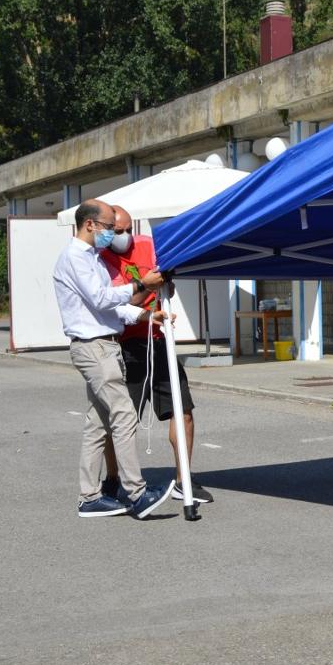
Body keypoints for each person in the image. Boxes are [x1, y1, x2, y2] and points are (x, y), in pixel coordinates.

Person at [53, 198, 174, 518]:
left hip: (102, 345)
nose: (113, 234)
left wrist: (145, 316)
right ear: (90, 224)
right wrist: (140, 284)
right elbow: (101, 297)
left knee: (99, 422)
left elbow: (108, 306)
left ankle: (90, 496)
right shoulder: (76, 257)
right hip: (93, 347)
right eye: (109, 227)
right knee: (123, 414)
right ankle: (137, 493)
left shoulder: (90, 257)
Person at [99, 205, 213, 505]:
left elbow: (166, 289)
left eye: (127, 230)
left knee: (182, 410)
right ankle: (112, 478)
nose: (124, 237)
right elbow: (119, 305)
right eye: (117, 231)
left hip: (159, 339)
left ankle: (183, 478)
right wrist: (145, 286)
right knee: (120, 419)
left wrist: (166, 284)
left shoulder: (149, 246)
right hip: (125, 345)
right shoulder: (101, 260)